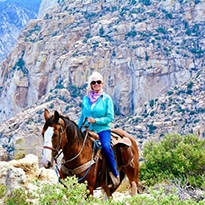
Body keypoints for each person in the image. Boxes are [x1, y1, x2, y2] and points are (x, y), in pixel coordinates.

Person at [78, 71, 120, 188]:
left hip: (102, 129)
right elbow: (82, 116)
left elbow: (110, 117)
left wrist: (95, 120)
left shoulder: (106, 99)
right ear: (90, 85)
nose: (96, 84)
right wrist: (77, 130)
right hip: (88, 129)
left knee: (106, 147)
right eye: (93, 82)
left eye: (98, 82)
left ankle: (114, 173)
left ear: (102, 83)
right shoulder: (86, 99)